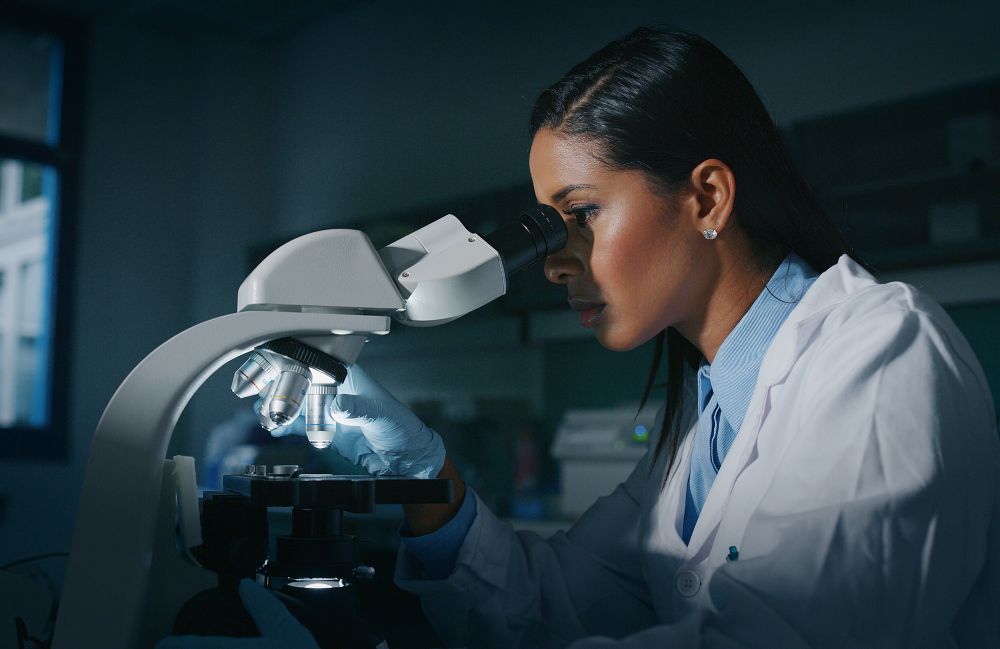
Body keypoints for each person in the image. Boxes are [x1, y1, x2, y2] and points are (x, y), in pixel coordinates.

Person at [163, 26, 1000, 649]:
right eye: (547, 227)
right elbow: (549, 603)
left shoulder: (881, 357)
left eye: (582, 215)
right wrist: (419, 471)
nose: (556, 263)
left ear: (707, 198)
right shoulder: (698, 428)